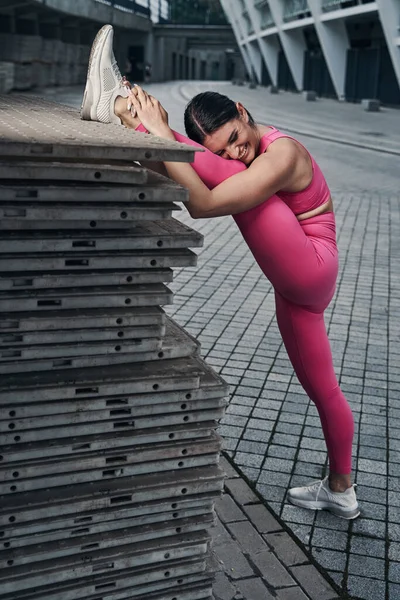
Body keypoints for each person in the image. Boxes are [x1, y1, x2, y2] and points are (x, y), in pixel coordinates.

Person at [81, 24, 359, 520]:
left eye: (234, 137)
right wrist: (168, 149)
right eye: (224, 147)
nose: (235, 151)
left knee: (222, 180)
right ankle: (341, 490)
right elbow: (203, 172)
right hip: (295, 290)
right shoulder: (238, 151)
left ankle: (123, 107)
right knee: (325, 390)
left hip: (314, 263)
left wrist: (162, 136)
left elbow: (204, 205)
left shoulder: (284, 152)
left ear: (243, 113)